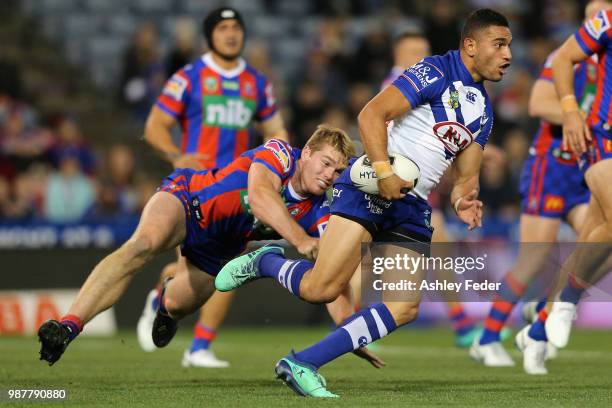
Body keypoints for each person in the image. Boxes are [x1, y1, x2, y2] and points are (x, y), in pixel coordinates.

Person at [215, 9, 511, 397]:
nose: (508, 55)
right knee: (321, 289)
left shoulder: (484, 112)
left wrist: (462, 200)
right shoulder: (435, 71)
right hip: (370, 186)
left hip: (412, 204)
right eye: (499, 44)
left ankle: (302, 362)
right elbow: (371, 114)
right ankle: (265, 260)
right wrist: (385, 173)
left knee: (405, 307)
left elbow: (466, 176)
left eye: (509, 46)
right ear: (470, 45)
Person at [37, 126, 385, 371]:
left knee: (178, 305)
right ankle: (68, 326)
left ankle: (163, 301)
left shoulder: (321, 210)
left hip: (219, 250)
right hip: (188, 201)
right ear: (307, 153)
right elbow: (262, 196)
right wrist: (301, 240)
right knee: (142, 245)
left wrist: (349, 332)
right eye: (325, 163)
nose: (329, 174)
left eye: (338, 170)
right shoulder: (279, 153)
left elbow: (330, 276)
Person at [140, 7, 288, 367]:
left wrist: (279, 165)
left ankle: (198, 344)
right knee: (198, 269)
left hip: (240, 190)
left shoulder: (256, 83)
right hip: (199, 187)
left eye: (236, 27)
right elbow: (155, 126)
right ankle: (167, 307)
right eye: (223, 28)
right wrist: (176, 155)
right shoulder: (189, 78)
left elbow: (277, 130)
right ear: (211, 35)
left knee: (228, 266)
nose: (231, 33)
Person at [471, 1, 609, 375]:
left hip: (588, 167)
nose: (600, 17)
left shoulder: (605, 62)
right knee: (533, 258)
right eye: (595, 12)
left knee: (597, 246)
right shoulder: (570, 58)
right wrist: (575, 113)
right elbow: (537, 102)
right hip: (551, 166)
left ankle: (545, 317)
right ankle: (488, 338)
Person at [518, 2, 612, 373]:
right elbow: (558, 66)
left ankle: (540, 325)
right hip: (595, 140)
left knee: (599, 238)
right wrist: (572, 112)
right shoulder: (602, 27)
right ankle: (566, 300)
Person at [379, 31, 483, 348]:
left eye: (424, 51)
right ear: (398, 55)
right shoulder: (396, 86)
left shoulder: (428, 84)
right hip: (392, 183)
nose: (420, 57)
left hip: (419, 189)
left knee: (438, 248)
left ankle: (461, 324)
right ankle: (462, 325)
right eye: (413, 51)